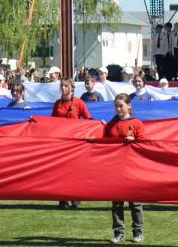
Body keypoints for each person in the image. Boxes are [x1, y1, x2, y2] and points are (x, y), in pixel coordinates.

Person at [101, 93, 146, 244]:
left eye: (121, 106)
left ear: (129, 106)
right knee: (116, 203)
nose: (118, 109)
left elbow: (145, 145)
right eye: (116, 106)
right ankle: (118, 233)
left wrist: (134, 141)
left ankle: (138, 232)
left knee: (135, 203)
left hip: (134, 168)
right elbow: (105, 146)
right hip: (115, 169)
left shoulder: (137, 123)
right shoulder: (110, 125)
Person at [52, 78, 91, 209]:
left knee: (75, 171)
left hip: (75, 143)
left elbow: (89, 119)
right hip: (61, 143)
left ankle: (75, 198)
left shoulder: (79, 103)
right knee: (60, 171)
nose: (63, 88)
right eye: (61, 86)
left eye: (65, 86)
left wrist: (98, 125)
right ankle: (62, 199)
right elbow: (50, 122)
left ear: (72, 88)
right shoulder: (57, 104)